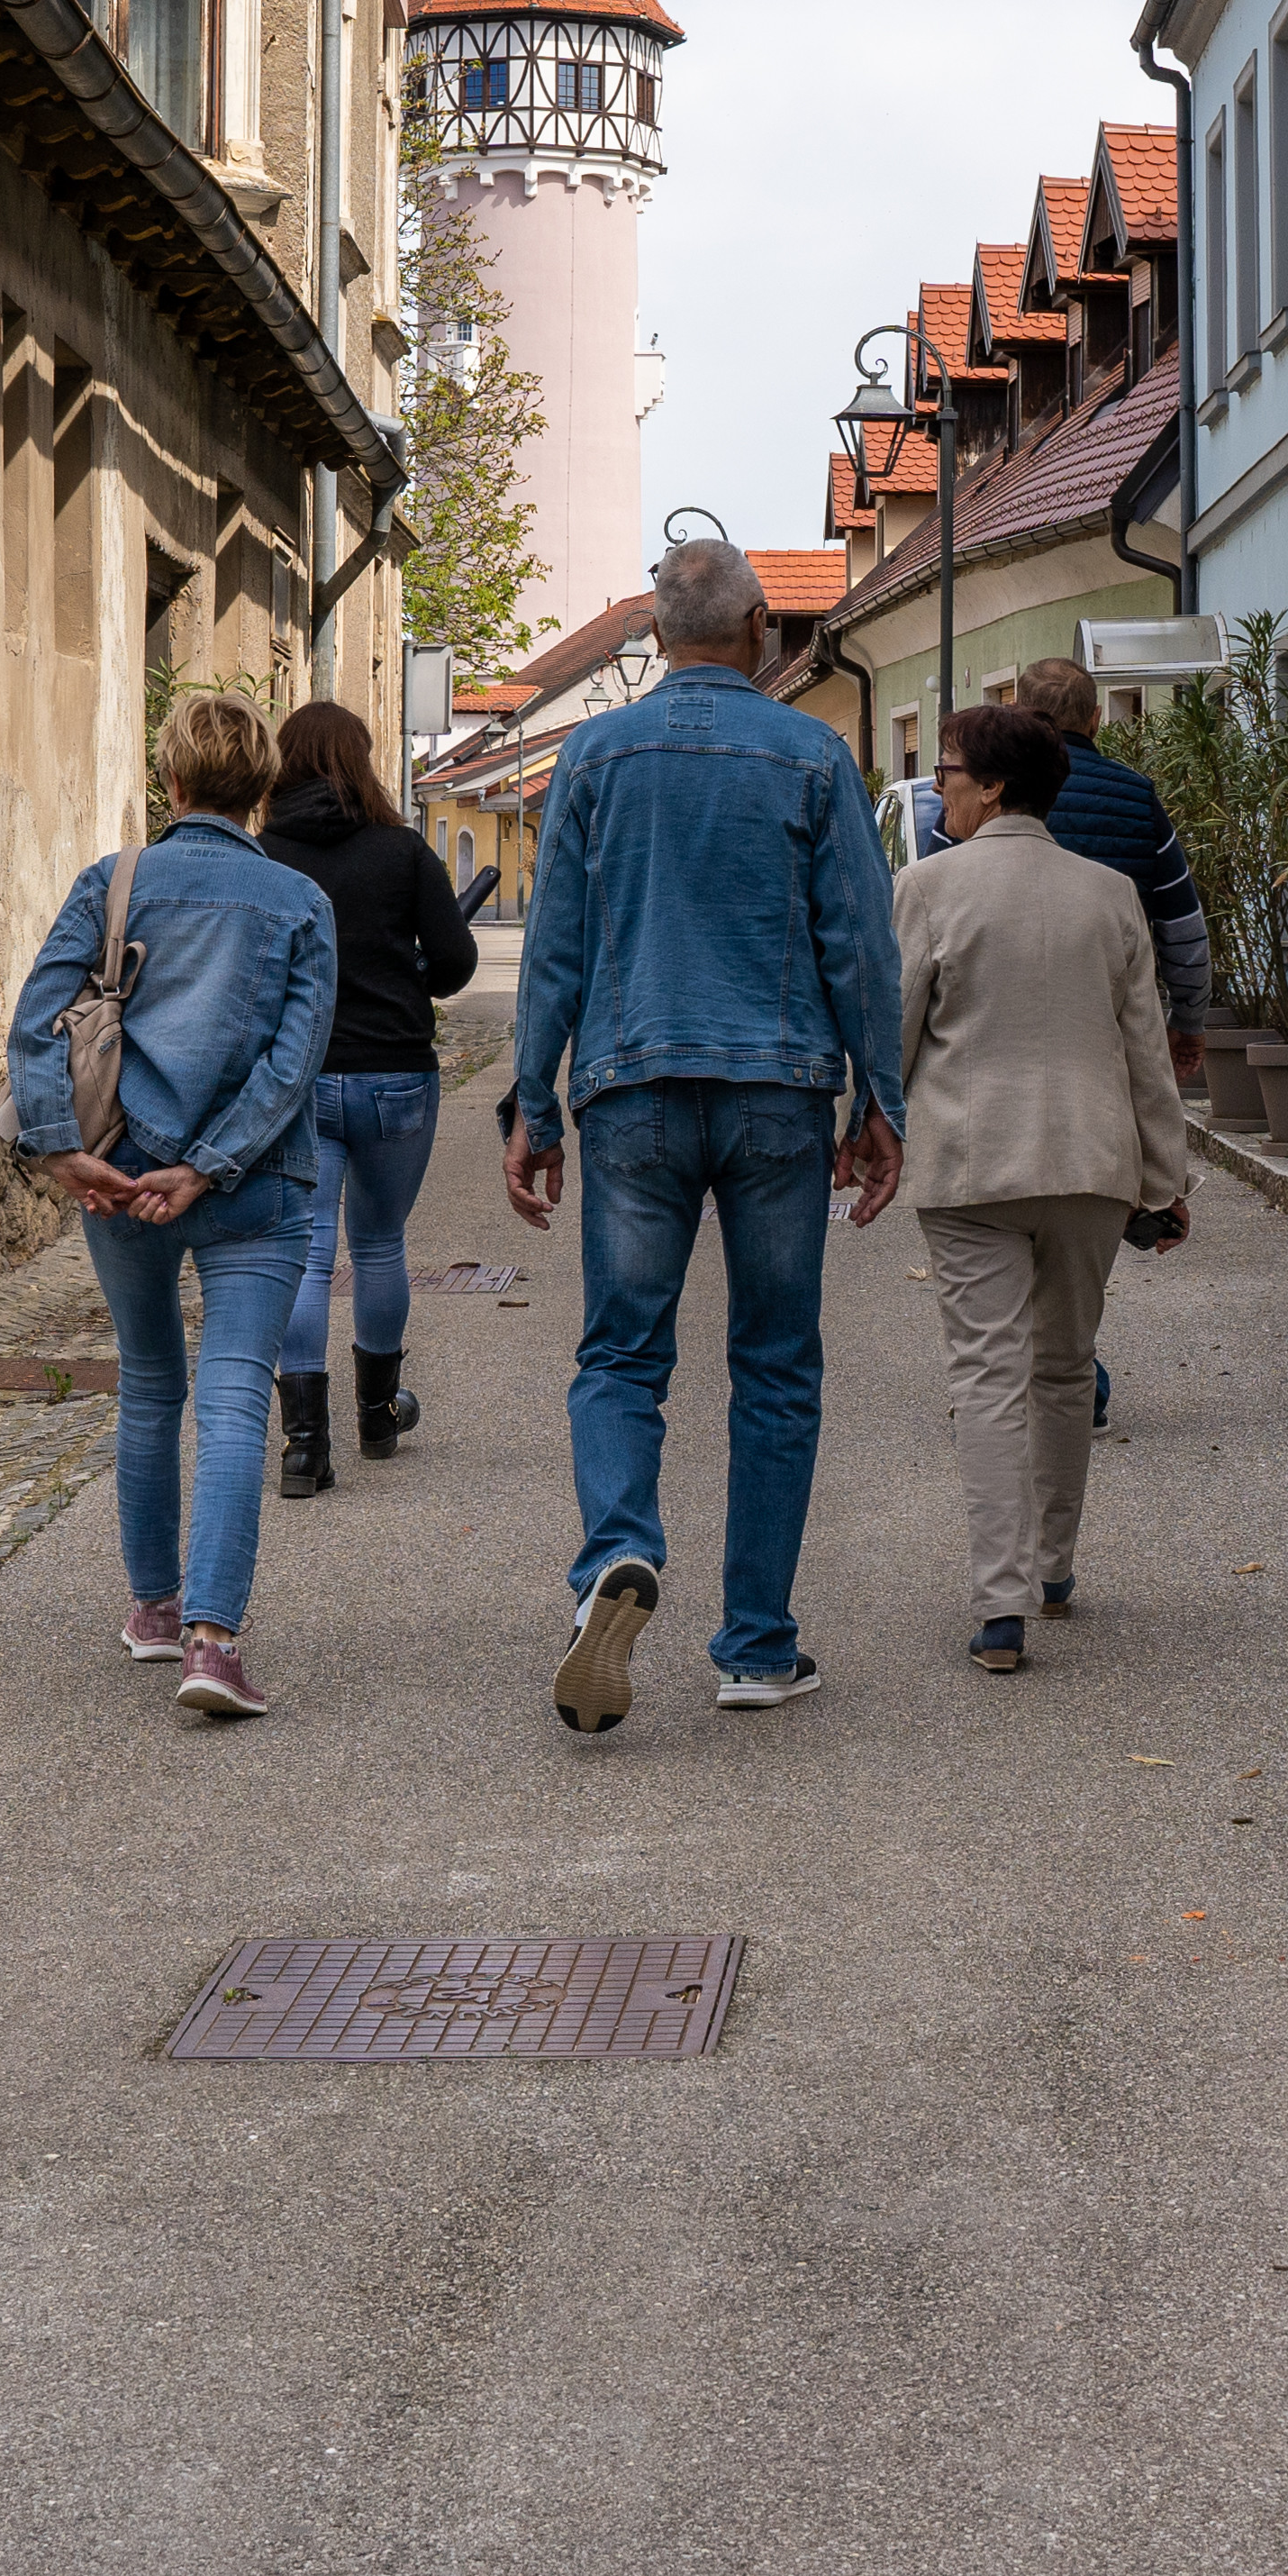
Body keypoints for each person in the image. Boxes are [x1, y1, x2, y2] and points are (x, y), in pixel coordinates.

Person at [502, 536, 908, 1731]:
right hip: (779, 1093)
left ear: (658, 639)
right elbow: (861, 947)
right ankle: (756, 1646)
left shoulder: (593, 754)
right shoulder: (814, 756)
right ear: (758, 632)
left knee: (623, 1354)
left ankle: (616, 1556)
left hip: (629, 1088)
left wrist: (534, 1103)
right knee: (776, 1361)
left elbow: (556, 944)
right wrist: (877, 1100)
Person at [8, 692, 336, 1723]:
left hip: (119, 1168)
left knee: (150, 1382)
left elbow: (33, 1024)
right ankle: (213, 1641)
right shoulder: (299, 903)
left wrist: (64, 1151)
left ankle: (151, 1609)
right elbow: (294, 1061)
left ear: (174, 782)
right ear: (261, 793)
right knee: (236, 1392)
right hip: (255, 1183)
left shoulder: (113, 883)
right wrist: (213, 1163)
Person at [892, 700, 1195, 1670]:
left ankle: (999, 1607)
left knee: (984, 1374)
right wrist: (1164, 1176)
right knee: (1063, 1368)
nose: (936, 785)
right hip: (1088, 1163)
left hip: (968, 1163)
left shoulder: (926, 887)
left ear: (990, 786)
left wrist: (865, 1137)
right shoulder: (1108, 894)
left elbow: (895, 1031)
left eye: (945, 770)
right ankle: (1055, 1567)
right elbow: (1143, 1047)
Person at [258, 696, 479, 1497]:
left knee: (310, 1251)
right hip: (394, 1075)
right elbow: (454, 963)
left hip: (301, 1079)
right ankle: (379, 1415)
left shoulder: (266, 855)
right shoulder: (403, 851)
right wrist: (406, 973)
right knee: (379, 1243)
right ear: (361, 762)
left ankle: (304, 1449)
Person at [1009, 652, 1210, 1441]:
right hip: (1108, 1034)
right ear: (1095, 721)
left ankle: (1048, 1370)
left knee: (1008, 1206)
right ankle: (1072, 1365)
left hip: (1004, 1028)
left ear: (1020, 715)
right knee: (1084, 1208)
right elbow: (1183, 930)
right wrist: (1187, 1017)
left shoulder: (985, 799)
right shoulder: (1136, 798)